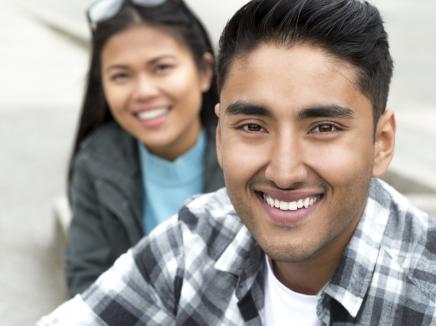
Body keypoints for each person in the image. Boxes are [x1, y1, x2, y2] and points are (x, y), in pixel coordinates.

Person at [39, 0, 436, 324]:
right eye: (251, 126)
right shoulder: (194, 239)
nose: (283, 172)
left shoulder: (423, 293)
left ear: (381, 144)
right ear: (220, 137)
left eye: (324, 128)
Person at [65, 0, 224, 296]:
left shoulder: (251, 156)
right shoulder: (96, 160)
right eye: (121, 75)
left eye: (161, 67)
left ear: (204, 72)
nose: (144, 92)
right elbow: (86, 281)